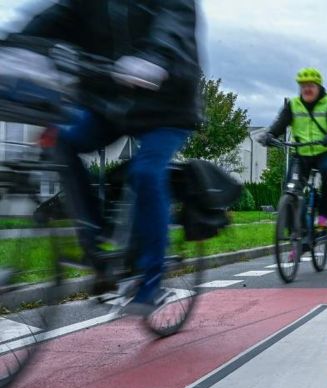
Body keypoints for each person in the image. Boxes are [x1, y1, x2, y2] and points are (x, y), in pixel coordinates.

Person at [7, 0, 202, 316]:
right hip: (109, 104)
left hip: (166, 108)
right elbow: (56, 17)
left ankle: (150, 280)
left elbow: (173, 26)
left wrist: (155, 57)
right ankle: (98, 244)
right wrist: (15, 48)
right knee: (61, 143)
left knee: (147, 172)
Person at [259, 68, 327, 228]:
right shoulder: (294, 105)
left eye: (311, 85)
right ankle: (298, 234)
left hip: (324, 152)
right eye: (303, 85)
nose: (307, 89)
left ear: (318, 87)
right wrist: (270, 134)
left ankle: (324, 218)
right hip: (302, 154)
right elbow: (280, 123)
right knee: (291, 189)